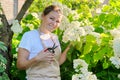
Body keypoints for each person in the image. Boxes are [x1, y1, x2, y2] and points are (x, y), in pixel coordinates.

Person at [17, 5, 71, 80]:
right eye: (51, 18)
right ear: (43, 16)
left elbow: (56, 63)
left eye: (57, 21)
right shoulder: (29, 36)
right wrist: (37, 58)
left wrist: (70, 47)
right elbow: (20, 65)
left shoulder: (55, 38)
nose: (54, 23)